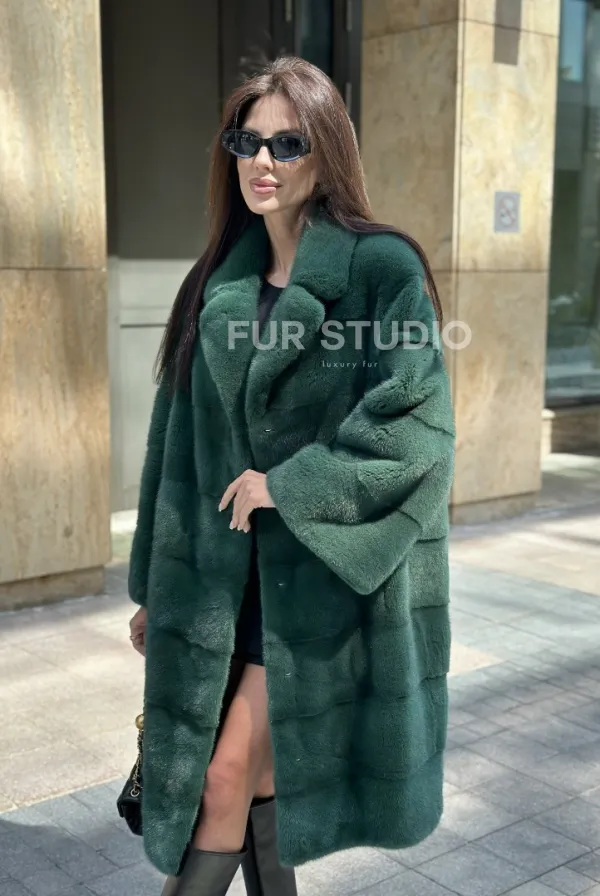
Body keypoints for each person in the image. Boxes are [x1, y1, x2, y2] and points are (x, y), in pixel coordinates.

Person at [127, 54, 455, 896]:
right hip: (224, 588)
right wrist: (156, 589)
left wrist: (290, 484)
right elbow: (173, 449)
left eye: (288, 143)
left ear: (327, 151)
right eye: (247, 142)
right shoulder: (216, 282)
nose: (262, 161)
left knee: (221, 781)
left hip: (321, 585)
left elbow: (417, 430)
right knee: (256, 785)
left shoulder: (381, 270)